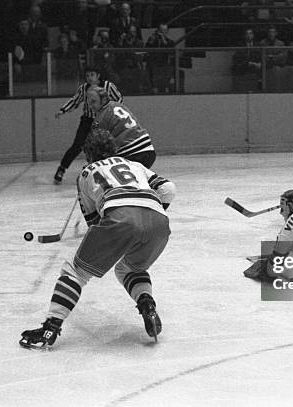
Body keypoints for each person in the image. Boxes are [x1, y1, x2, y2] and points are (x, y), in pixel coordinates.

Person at [20, 131, 176, 350]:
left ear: (87, 154)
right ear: (114, 149)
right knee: (130, 269)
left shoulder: (86, 173)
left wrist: (120, 231)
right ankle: (147, 304)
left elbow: (94, 221)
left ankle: (50, 328)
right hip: (159, 221)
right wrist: (150, 212)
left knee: (76, 272)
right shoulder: (133, 164)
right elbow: (168, 189)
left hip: (120, 217)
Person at [53, 66, 123, 184]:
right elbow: (75, 100)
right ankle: (61, 169)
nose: (89, 78)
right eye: (87, 76)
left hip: (103, 120)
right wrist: (63, 110)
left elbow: (119, 99)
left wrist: (114, 113)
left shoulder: (108, 86)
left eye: (92, 75)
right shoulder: (84, 88)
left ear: (98, 76)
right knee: (77, 145)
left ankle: (107, 172)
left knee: (104, 146)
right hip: (87, 121)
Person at [85, 85, 156, 168]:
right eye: (89, 103)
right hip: (148, 149)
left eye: (93, 102)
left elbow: (98, 148)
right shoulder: (118, 105)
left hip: (131, 154)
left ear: (103, 100)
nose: (91, 106)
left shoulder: (99, 119)